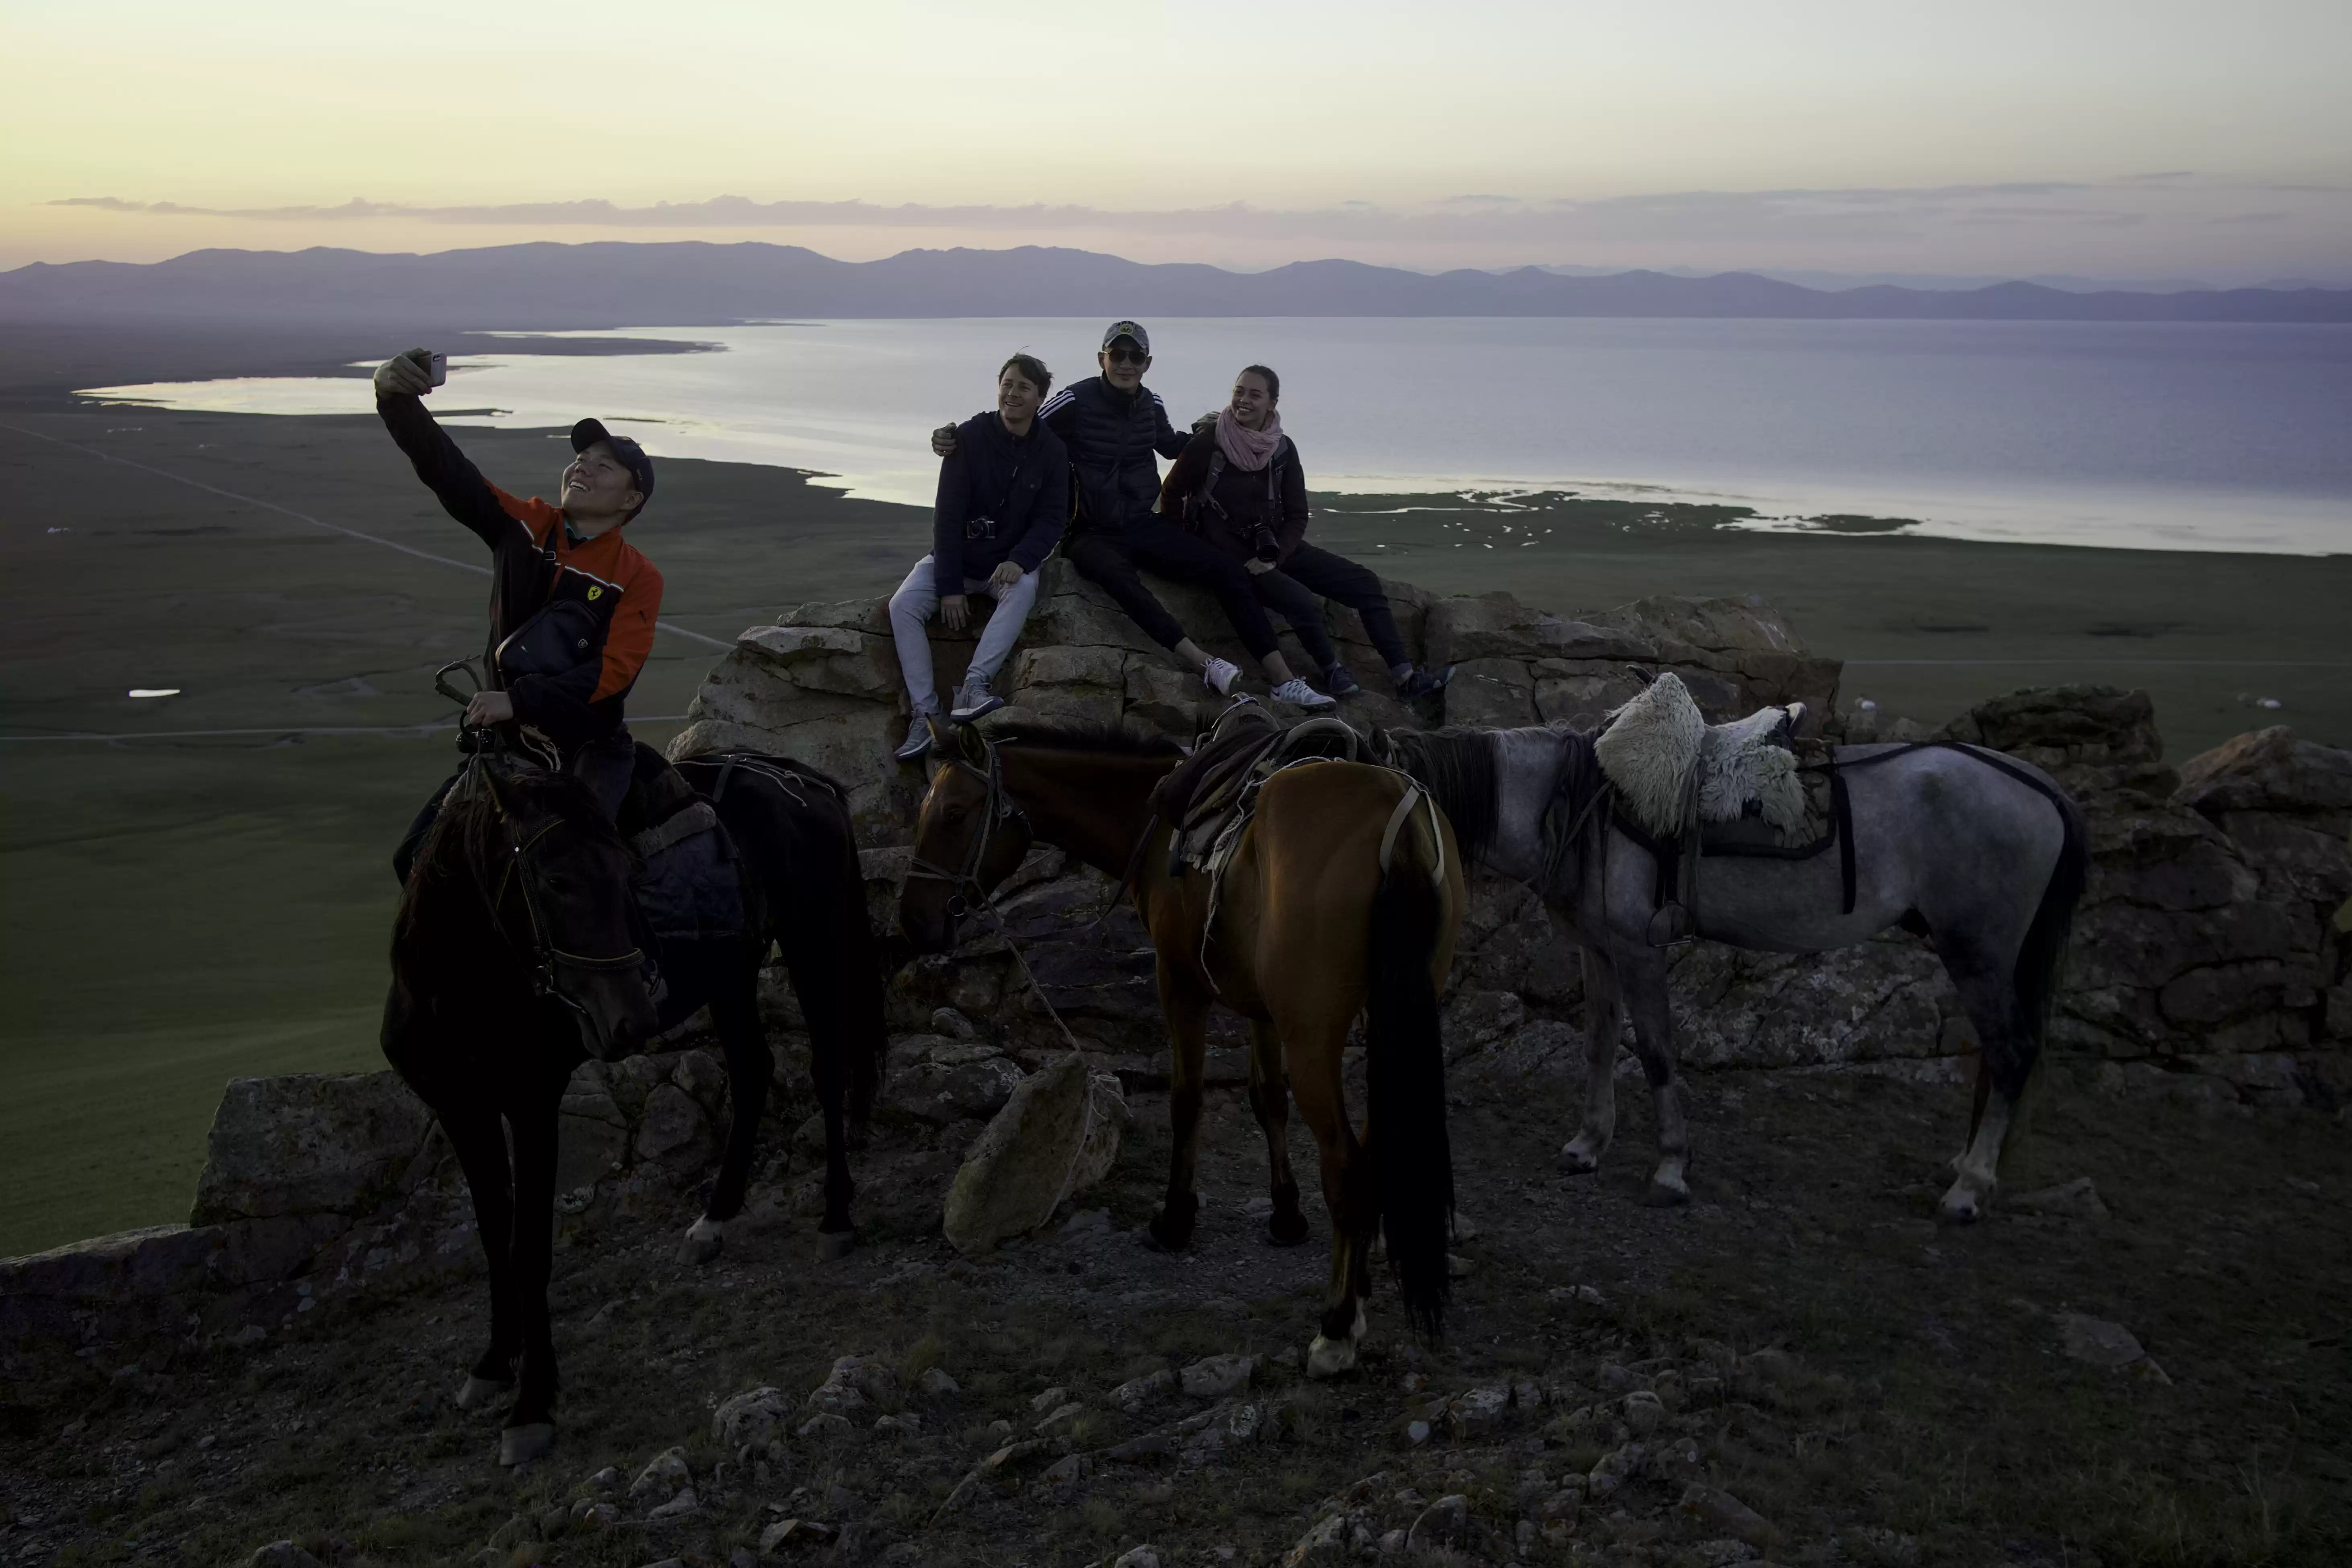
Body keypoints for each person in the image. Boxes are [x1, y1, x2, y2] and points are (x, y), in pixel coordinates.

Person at [933, 321, 1334, 709]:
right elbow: (1016, 421)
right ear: (1102, 359)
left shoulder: (1151, 404)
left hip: (1141, 523)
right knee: (1121, 579)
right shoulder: (1074, 401)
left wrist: (1211, 429)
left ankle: (1283, 681)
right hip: (1087, 531)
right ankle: (1204, 663)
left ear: (1147, 363)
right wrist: (956, 437)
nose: (1126, 363)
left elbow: (1171, 444)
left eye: (1135, 356)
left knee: (1226, 569)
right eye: (1118, 354)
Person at [373, 347, 663, 879]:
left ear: (630, 500)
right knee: (416, 860)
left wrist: (518, 700)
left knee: (583, 869)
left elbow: (611, 678)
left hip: (588, 749)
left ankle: (634, 965)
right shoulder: (524, 525)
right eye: (581, 458)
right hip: (505, 746)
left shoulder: (637, 575)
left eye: (605, 466)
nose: (583, 467)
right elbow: (449, 471)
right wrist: (394, 400)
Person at [1161, 364, 1452, 701]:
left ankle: (1405, 678)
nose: (1243, 400)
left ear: (1273, 403)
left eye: (1255, 395)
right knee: (1301, 600)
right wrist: (1187, 547)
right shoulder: (1209, 444)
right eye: (1239, 391)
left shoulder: (1282, 448)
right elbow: (1171, 493)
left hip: (1274, 547)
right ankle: (1332, 671)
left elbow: (1298, 515)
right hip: (1232, 558)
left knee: (1365, 583)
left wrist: (1278, 555)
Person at [889, 353, 1069, 762]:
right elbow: (947, 515)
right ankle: (927, 712)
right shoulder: (968, 437)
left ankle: (974, 686)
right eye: (1007, 383)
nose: (1012, 393)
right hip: (957, 558)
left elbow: (1052, 519)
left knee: (1023, 588)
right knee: (903, 606)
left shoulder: (1052, 451)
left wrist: (1021, 558)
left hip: (1002, 566)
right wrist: (949, 588)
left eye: (1024, 387)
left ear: (1041, 398)